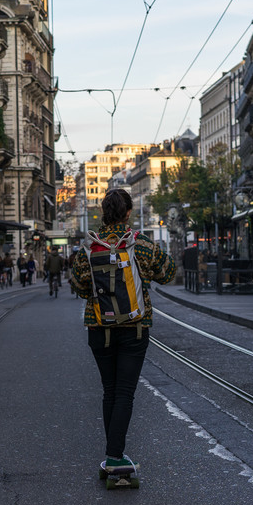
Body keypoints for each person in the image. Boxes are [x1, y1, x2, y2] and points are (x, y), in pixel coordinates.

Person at [70, 188, 176, 476]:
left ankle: (113, 453)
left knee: (110, 390)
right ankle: (114, 455)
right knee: (125, 393)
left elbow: (78, 287)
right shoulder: (140, 244)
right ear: (128, 212)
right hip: (135, 327)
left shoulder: (89, 248)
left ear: (102, 212)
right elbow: (168, 273)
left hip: (99, 327)